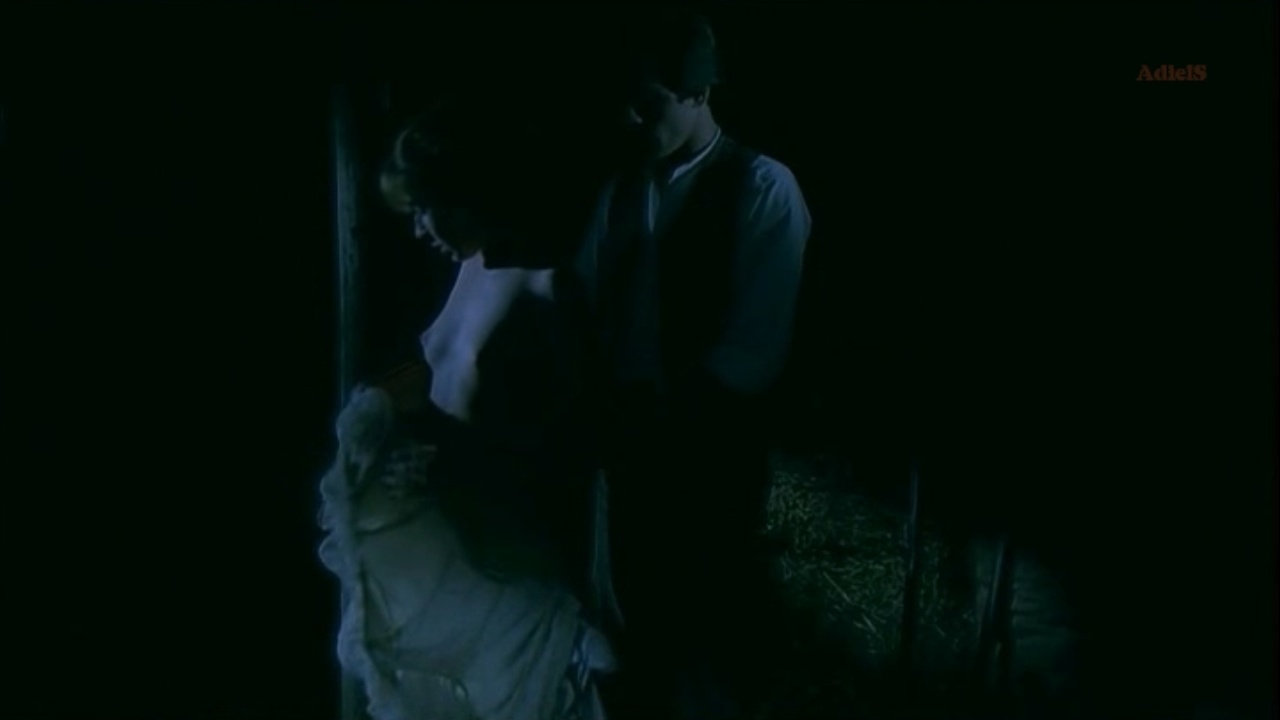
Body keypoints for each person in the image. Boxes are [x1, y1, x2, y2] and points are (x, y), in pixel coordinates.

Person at [317, 107, 614, 720]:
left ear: (467, 196)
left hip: (502, 560)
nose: (419, 228)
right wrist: (389, 419)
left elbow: (569, 448)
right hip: (443, 543)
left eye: (427, 208)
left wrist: (447, 453)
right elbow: (433, 379)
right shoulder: (462, 271)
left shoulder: (548, 287)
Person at [577, 11, 813, 720]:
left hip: (708, 453)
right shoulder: (620, 190)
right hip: (621, 447)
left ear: (698, 93)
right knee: (630, 635)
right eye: (623, 101)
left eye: (647, 103)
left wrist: (664, 417)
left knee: (704, 639)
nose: (629, 118)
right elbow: (585, 302)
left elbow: (752, 350)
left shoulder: (763, 187)